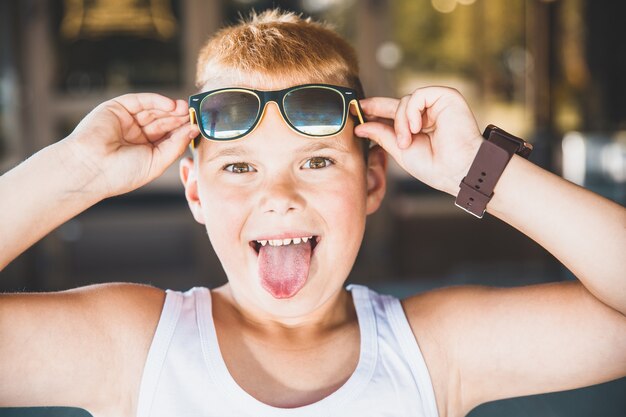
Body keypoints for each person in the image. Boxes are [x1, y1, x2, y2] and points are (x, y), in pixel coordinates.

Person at [0, 9, 624, 417]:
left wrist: (478, 171)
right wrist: (72, 171)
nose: (280, 196)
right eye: (239, 167)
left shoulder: (434, 349)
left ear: (374, 181)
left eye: (318, 162)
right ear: (194, 191)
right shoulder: (132, 345)